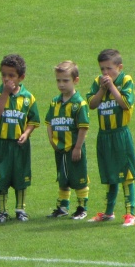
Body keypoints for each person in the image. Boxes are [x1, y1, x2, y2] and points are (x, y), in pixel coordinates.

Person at [85, 49, 135, 226]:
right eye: (102, 69)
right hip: (104, 135)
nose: (105, 73)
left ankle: (131, 213)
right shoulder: (98, 83)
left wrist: (112, 87)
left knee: (126, 174)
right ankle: (108, 212)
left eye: (109, 69)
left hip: (120, 135)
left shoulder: (126, 80)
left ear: (119, 67)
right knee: (110, 174)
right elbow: (91, 105)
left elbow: (125, 103)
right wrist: (102, 88)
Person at [0, 54, 40, 223]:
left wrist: (26, 133)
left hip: (19, 146)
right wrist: (5, 93)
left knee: (20, 177)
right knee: (0, 178)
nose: (6, 79)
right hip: (1, 143)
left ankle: (20, 209)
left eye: (11, 76)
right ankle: (2, 211)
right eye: (4, 75)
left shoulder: (28, 98)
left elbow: (33, 121)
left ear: (21, 77)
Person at [45, 61, 90, 220]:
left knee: (78, 178)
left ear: (75, 80)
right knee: (62, 177)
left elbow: (83, 127)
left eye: (65, 80)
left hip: (74, 148)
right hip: (60, 148)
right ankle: (63, 206)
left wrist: (78, 147)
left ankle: (82, 207)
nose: (61, 84)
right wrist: (51, 140)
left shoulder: (79, 104)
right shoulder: (54, 102)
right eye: (58, 80)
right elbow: (49, 122)